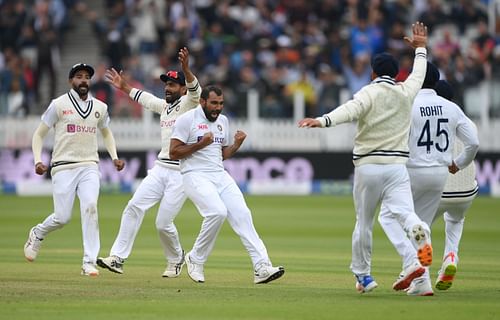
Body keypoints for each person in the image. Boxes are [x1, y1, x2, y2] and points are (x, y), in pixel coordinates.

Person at [298, 22, 432, 294]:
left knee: (364, 223)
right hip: (397, 167)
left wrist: (322, 120)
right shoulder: (406, 92)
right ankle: (416, 233)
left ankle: (364, 276)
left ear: (372, 72)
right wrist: (421, 49)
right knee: (405, 214)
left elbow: (349, 111)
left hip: (369, 167)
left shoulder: (368, 92)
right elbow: (419, 74)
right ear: (396, 74)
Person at [96, 47, 201, 277]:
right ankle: (118, 258)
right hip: (160, 168)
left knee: (163, 223)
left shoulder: (189, 105)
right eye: (166, 84)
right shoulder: (165, 107)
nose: (167, 87)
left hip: (181, 172)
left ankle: (176, 258)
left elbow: (196, 90)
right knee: (134, 206)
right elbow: (146, 99)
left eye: (173, 84)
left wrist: (186, 69)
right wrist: (124, 87)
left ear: (182, 89)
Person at [169, 85, 285, 284]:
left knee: (243, 215)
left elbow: (221, 154)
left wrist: (236, 145)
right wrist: (199, 144)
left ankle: (261, 267)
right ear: (202, 102)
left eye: (221, 103)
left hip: (219, 174)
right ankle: (195, 258)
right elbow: (173, 153)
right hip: (194, 174)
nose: (218, 108)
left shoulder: (223, 121)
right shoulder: (186, 120)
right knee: (217, 212)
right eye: (214, 103)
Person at [379, 68, 479, 296]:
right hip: (440, 173)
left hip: (412, 170)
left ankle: (411, 262)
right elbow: (473, 143)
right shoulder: (452, 107)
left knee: (388, 216)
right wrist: (459, 164)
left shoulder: (409, 105)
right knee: (421, 223)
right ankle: (422, 283)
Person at [24, 63, 125, 276]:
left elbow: (106, 133)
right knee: (62, 217)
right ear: (71, 81)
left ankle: (88, 262)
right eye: (79, 76)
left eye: (87, 77)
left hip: (89, 165)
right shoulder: (58, 104)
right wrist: (36, 160)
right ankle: (38, 232)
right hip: (63, 166)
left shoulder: (100, 107)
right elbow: (39, 134)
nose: (83, 80)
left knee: (90, 207)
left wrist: (115, 157)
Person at [433, 80, 479, 291]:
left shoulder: (430, 120)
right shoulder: (468, 121)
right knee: (455, 221)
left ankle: (416, 269)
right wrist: (459, 165)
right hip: (466, 191)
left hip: (440, 189)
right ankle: (451, 256)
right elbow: (473, 145)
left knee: (416, 223)